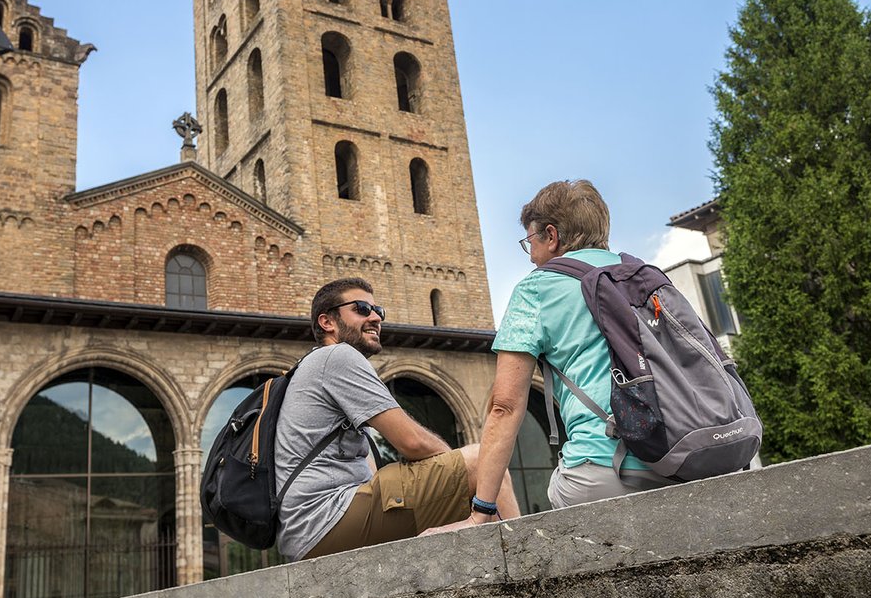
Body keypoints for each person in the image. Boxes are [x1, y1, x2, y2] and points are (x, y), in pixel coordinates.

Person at [422, 179, 667, 537]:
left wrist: (481, 513)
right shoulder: (646, 277)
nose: (532, 256)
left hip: (604, 467)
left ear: (551, 236)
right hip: (678, 455)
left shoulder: (537, 288)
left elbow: (504, 407)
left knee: (558, 498)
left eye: (530, 243)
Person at [274, 277, 520, 560]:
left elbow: (370, 474)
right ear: (327, 322)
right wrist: (460, 471)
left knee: (468, 487)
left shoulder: (314, 365)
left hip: (310, 529)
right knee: (484, 462)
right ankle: (525, 565)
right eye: (362, 308)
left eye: (379, 310)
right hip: (325, 519)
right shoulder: (337, 356)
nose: (376, 317)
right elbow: (412, 442)